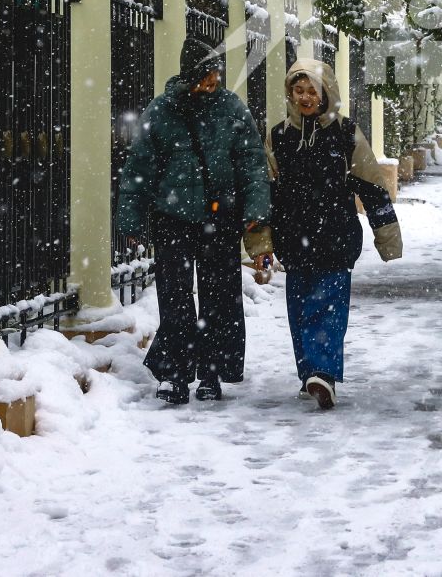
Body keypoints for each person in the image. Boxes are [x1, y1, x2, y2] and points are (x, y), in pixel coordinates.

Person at [117, 37, 270, 406]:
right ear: (190, 76)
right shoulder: (162, 111)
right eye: (206, 75)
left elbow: (251, 162)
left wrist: (255, 211)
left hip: (221, 216)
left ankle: (212, 372)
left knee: (219, 297)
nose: (213, 82)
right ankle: (175, 373)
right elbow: (140, 167)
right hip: (173, 218)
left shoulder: (231, 109)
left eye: (216, 74)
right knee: (175, 297)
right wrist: (132, 219)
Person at [259, 59, 401, 410]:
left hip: (336, 237)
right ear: (290, 93)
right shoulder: (278, 136)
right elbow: (264, 193)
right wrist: (261, 240)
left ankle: (323, 372)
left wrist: (387, 236)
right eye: (299, 90)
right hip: (293, 238)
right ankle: (310, 374)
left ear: (326, 94)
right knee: (300, 310)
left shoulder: (346, 135)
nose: (305, 97)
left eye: (313, 91)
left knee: (328, 309)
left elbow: (372, 187)